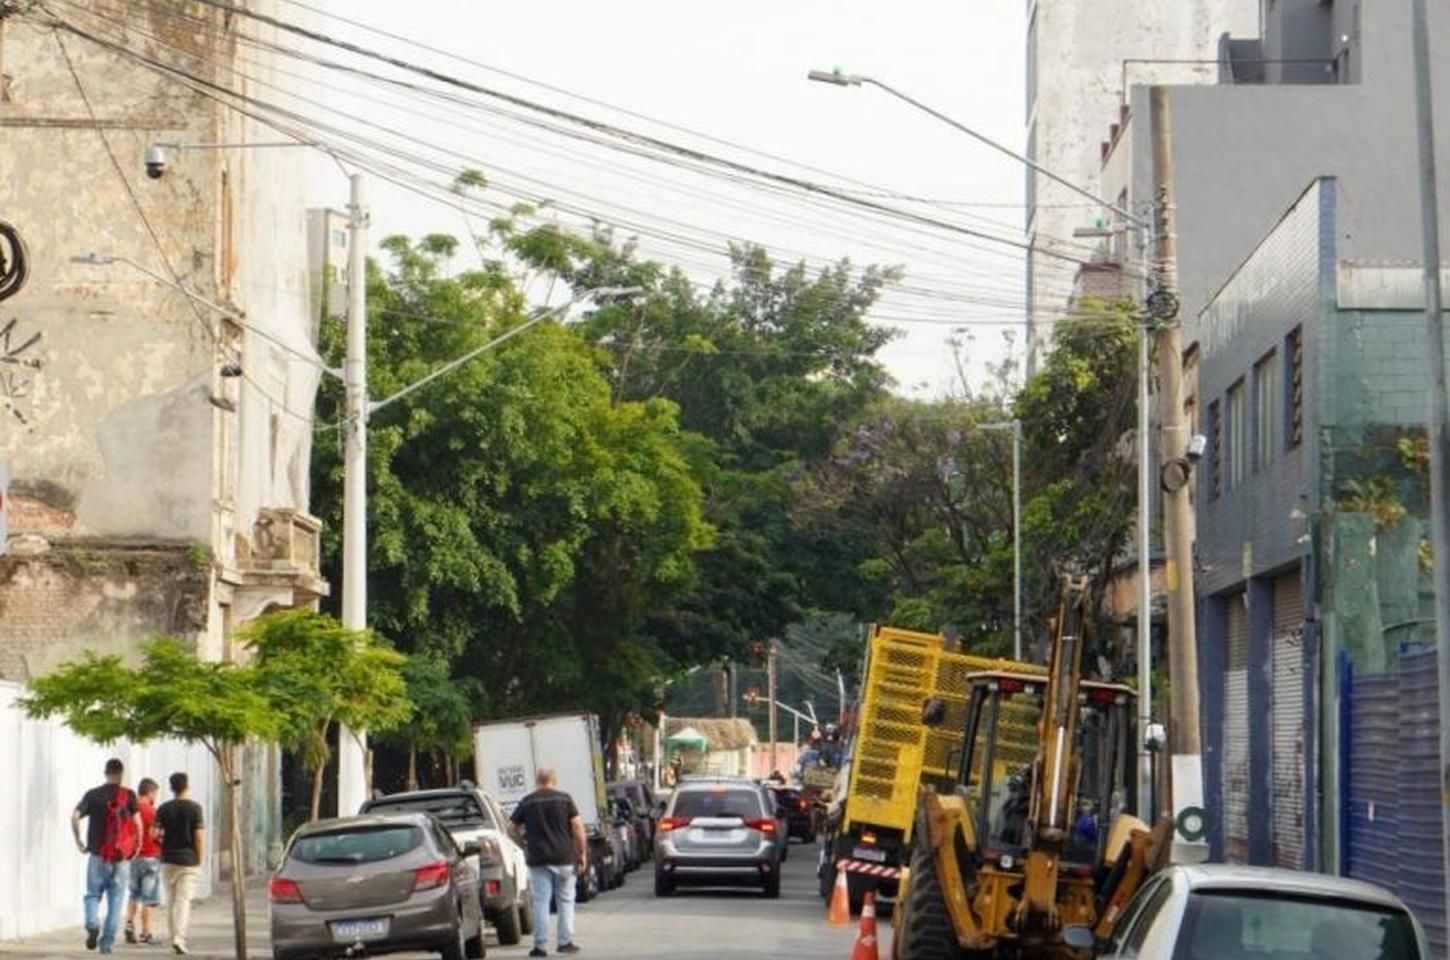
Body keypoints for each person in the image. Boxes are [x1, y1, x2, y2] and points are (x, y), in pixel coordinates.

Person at [510, 769, 587, 958]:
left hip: (538, 858)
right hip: (564, 857)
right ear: (554, 780)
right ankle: (565, 942)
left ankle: (540, 946)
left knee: (541, 901)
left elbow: (511, 826)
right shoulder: (565, 799)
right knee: (566, 900)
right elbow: (577, 826)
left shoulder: (528, 801)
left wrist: (522, 843)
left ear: (537, 781)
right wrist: (582, 852)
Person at [72, 758, 141, 954]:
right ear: (121, 774)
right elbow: (138, 824)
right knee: (116, 902)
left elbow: (75, 816)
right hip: (121, 858)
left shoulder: (93, 795)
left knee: (93, 894)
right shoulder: (128, 795)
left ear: (105, 772)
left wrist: (78, 841)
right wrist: (137, 846)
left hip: (97, 856)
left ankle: (92, 923)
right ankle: (106, 944)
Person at [154, 772, 205, 956]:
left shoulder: (163, 809)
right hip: (188, 861)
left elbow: (155, 834)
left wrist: (164, 844)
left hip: (168, 860)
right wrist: (200, 859)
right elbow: (199, 838)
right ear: (187, 786)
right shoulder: (195, 808)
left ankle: (173, 937)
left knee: (171, 901)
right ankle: (179, 938)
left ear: (171, 788)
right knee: (183, 902)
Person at [125, 778, 163, 945]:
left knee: (134, 894)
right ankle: (145, 933)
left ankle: (129, 924)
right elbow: (159, 835)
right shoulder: (153, 812)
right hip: (151, 859)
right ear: (150, 793)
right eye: (155, 793)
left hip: (133, 858)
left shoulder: (130, 811)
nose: (155, 796)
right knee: (147, 898)